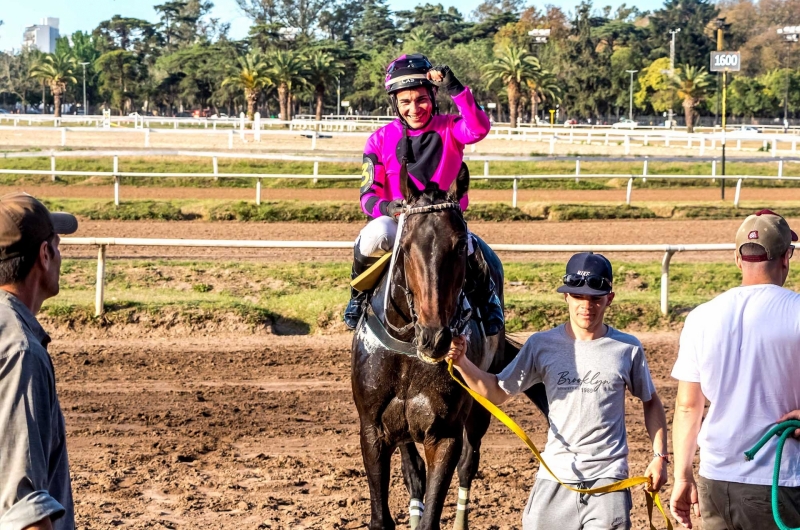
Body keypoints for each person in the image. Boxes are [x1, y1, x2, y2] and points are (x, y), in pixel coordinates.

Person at [447, 252, 668, 530]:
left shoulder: (628, 348)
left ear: (609, 299)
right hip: (555, 478)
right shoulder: (541, 345)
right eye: (578, 296)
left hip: (608, 482)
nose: (586, 306)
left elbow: (650, 401)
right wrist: (462, 362)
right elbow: (496, 391)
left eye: (595, 298)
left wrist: (660, 457)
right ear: (566, 297)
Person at [343, 53, 504, 335]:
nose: (414, 108)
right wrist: (389, 209)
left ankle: (488, 302)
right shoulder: (379, 139)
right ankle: (357, 297)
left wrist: (456, 87)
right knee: (373, 235)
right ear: (395, 103)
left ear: (433, 96)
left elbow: (479, 128)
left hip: (444, 222)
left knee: (470, 245)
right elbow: (367, 197)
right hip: (400, 221)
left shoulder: (451, 128)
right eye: (405, 101)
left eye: (421, 99)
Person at [670, 209, 800, 530]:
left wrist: (682, 476)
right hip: (779, 479)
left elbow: (688, 406)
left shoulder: (700, 316)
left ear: (738, 258)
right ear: (787, 256)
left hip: (714, 481)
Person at [0, 192, 78, 530]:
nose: (60, 255)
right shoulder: (20, 351)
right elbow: (25, 511)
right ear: (44, 254)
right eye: (57, 245)